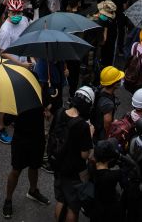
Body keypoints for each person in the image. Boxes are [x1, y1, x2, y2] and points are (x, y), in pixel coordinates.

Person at [49, 87, 95, 222]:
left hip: (57, 164)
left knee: (61, 199)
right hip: (73, 171)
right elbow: (84, 155)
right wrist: (90, 135)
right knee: (73, 207)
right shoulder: (83, 126)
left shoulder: (59, 112)